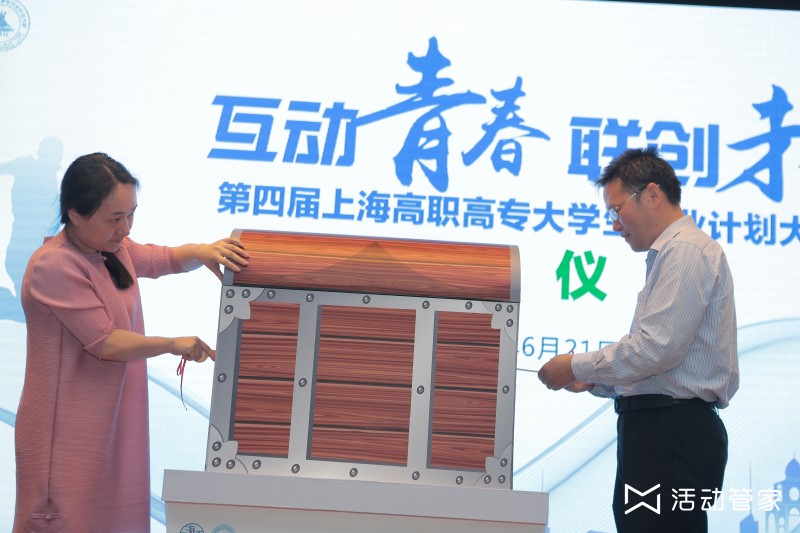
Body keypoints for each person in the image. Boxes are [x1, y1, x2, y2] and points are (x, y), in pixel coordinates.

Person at [13, 153, 249, 532]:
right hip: (67, 433)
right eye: (114, 219)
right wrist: (171, 344)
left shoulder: (110, 248)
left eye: (131, 215)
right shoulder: (53, 264)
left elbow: (161, 258)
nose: (124, 229)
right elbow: (105, 342)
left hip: (114, 419)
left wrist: (202, 251)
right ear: (75, 214)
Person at [538, 147, 739, 533]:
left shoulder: (685, 251)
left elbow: (656, 349)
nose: (615, 224)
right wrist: (593, 381)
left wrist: (576, 366)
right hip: (663, 430)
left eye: (617, 210)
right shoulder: (674, 253)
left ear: (652, 194)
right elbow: (662, 364)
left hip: (670, 434)